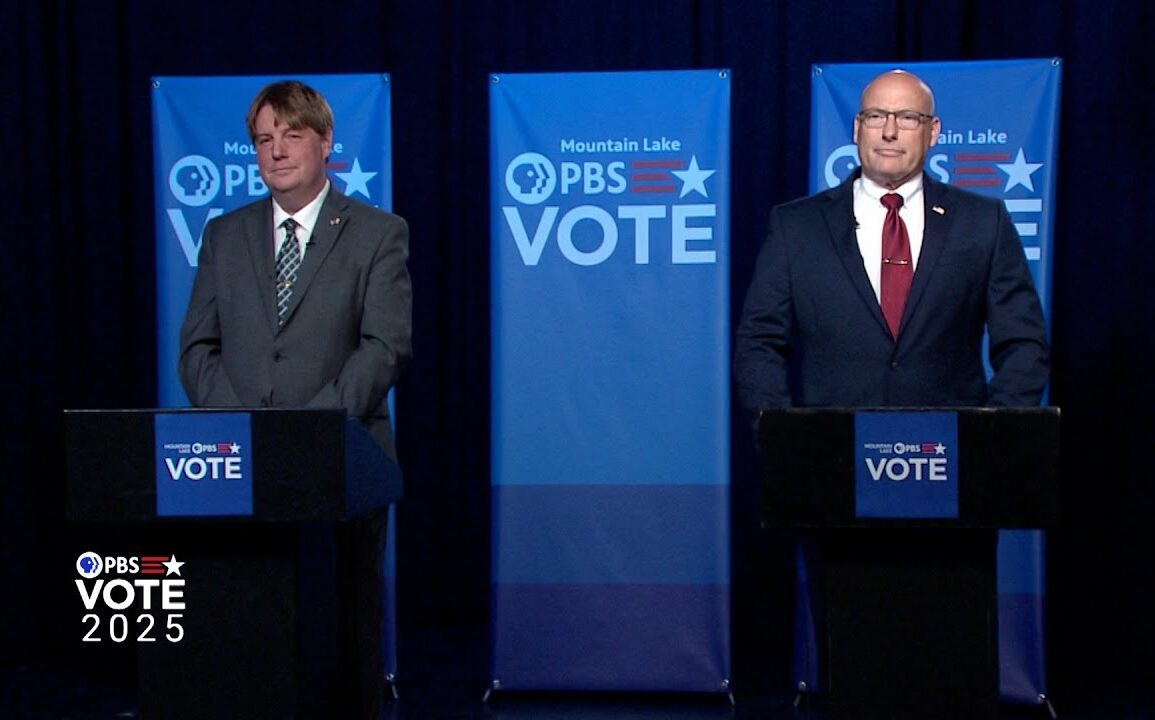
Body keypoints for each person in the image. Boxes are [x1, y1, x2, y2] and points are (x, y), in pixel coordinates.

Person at [178, 80, 411, 718]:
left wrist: (307, 434)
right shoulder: (224, 236)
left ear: (326, 142)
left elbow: (385, 347)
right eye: (263, 139)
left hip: (343, 466)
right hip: (240, 469)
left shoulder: (378, 233)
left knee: (344, 643)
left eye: (292, 135)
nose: (276, 151)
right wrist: (245, 430)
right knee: (251, 640)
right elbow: (197, 348)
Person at [734, 69, 1048, 419]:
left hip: (946, 446)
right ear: (857, 128)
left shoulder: (983, 222)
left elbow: (1023, 343)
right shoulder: (796, 226)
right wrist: (782, 436)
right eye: (876, 116)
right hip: (831, 447)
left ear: (933, 132)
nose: (889, 131)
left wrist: (991, 435)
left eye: (908, 118)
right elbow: (759, 342)